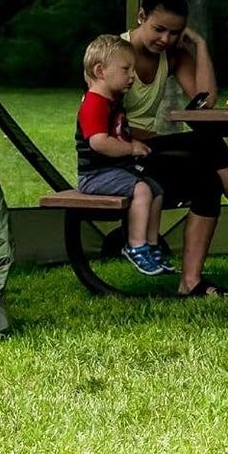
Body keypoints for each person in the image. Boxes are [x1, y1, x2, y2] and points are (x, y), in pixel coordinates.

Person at [120, 0, 228, 296]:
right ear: (141, 16)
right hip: (119, 153)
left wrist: (200, 44)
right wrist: (145, 139)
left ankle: (190, 281)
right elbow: (106, 122)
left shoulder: (172, 55)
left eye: (174, 33)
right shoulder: (114, 53)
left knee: (208, 170)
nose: (165, 39)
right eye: (158, 29)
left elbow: (204, 103)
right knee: (207, 145)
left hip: (149, 151)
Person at [76, 35, 170, 276]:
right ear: (100, 71)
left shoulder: (112, 102)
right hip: (95, 176)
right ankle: (135, 246)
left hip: (115, 172)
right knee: (142, 190)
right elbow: (99, 142)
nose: (132, 76)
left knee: (156, 190)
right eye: (126, 69)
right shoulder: (95, 104)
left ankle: (151, 245)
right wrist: (131, 148)